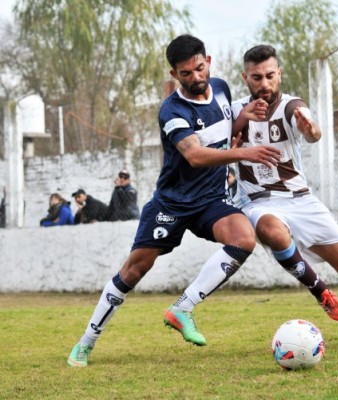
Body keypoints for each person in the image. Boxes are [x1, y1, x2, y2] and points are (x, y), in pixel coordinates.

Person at [67, 34, 281, 367]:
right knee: (134, 270)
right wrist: (245, 152)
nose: (195, 78)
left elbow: (224, 131)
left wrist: (244, 117)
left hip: (210, 200)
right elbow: (195, 155)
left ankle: (183, 308)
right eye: (186, 74)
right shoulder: (172, 111)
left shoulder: (222, 88)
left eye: (199, 69)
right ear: (174, 75)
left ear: (207, 61)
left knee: (243, 239)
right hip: (172, 204)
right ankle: (86, 341)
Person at [231, 44, 338, 347]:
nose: (264, 83)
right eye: (256, 77)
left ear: (278, 73)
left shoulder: (291, 105)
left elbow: (309, 128)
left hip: (300, 199)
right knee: (271, 230)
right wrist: (242, 119)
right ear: (245, 77)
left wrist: (312, 129)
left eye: (269, 75)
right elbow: (223, 146)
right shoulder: (233, 109)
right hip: (258, 201)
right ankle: (323, 294)